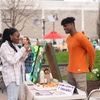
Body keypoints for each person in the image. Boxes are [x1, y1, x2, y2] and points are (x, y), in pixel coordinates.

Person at [61, 17, 95, 93]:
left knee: (82, 93)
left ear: (72, 25)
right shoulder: (68, 39)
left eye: (65, 26)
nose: (64, 28)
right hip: (70, 70)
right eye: (63, 26)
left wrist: (90, 65)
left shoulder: (81, 37)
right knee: (71, 93)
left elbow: (92, 51)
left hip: (80, 71)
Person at [0, 28, 31, 100]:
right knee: (13, 98)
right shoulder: (4, 46)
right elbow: (12, 60)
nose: (19, 38)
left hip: (19, 75)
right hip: (11, 77)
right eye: (17, 36)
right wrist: (23, 49)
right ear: (11, 36)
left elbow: (21, 60)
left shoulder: (15, 46)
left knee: (19, 97)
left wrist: (26, 52)